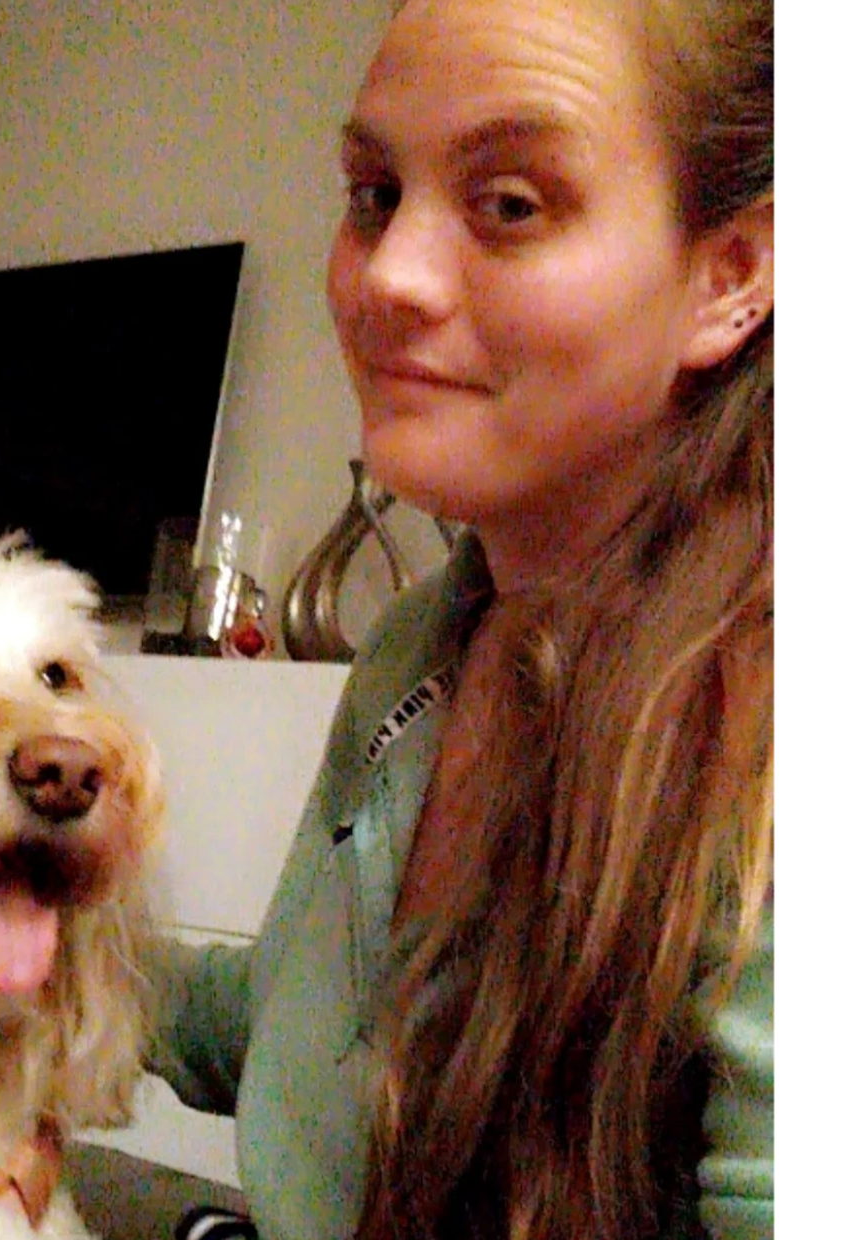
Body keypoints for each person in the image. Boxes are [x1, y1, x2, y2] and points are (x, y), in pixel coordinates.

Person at [150, 1, 776, 1237]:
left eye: (510, 203)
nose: (387, 274)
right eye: (374, 194)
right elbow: (300, 1028)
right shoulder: (419, 647)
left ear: (730, 278)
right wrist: (24, 959)